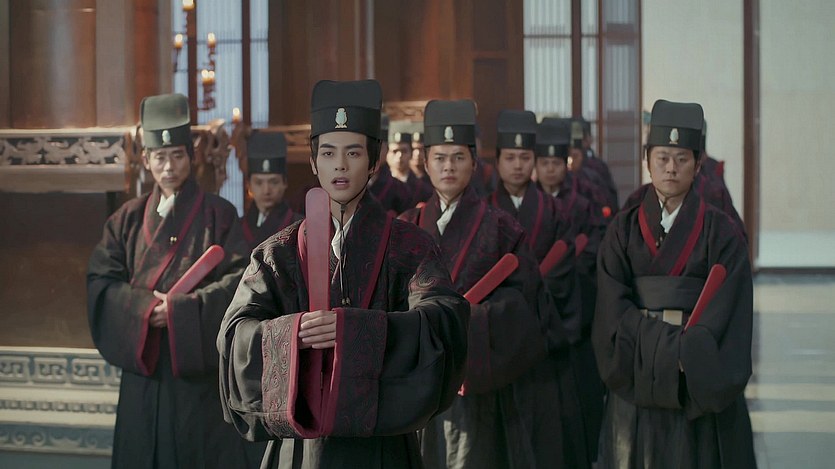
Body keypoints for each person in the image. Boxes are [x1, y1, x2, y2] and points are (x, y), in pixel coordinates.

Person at [217, 79, 469, 468]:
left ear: (374, 161)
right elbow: (235, 335)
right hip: (300, 448)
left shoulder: (410, 246)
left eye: (353, 152)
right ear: (313, 162)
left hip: (382, 448)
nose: (340, 165)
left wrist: (354, 331)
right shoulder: (277, 252)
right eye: (328, 153)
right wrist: (293, 334)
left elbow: (445, 321)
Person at [402, 101, 585, 469]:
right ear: (425, 162)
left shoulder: (502, 227)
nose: (449, 167)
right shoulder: (407, 227)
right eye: (440, 158)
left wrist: (472, 323)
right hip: (423, 383)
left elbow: (527, 305)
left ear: (474, 162)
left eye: (458, 157)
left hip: (484, 386)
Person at [86, 93, 262, 468]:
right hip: (145, 370)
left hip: (197, 375)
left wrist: (181, 311)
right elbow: (102, 282)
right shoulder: (126, 220)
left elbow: (241, 281)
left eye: (177, 156)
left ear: (191, 156)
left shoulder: (220, 214)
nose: (169, 167)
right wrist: (144, 310)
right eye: (160, 157)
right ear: (146, 160)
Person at [593, 99, 755, 468]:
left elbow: (729, 307)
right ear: (647, 159)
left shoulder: (722, 232)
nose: (671, 168)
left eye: (682, 159)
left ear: (698, 165)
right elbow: (611, 305)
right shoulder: (623, 229)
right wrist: (667, 350)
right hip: (636, 376)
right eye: (662, 157)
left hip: (692, 377)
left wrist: (686, 353)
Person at [535, 117, 606, 461]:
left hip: (577, 306)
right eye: (544, 163)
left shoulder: (584, 199)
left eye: (556, 162)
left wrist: (565, 270)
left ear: (566, 163)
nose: (550, 170)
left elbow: (596, 244)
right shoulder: (528, 204)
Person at [241, 129, 302, 249]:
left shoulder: (299, 226)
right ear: (249, 185)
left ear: (285, 183)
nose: (266, 190)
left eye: (273, 182)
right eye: (259, 183)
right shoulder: (237, 226)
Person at [369, 113, 414, 214]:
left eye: (379, 147)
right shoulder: (351, 186)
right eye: (369, 147)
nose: (374, 153)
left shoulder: (401, 190)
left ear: (387, 150)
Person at [388, 119, 433, 204]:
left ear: (411, 154)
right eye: (394, 151)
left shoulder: (422, 188)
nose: (399, 156)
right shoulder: (381, 184)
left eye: (404, 151)